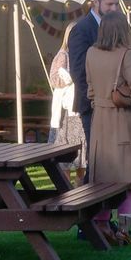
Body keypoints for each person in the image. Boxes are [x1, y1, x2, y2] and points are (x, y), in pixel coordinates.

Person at [85, 13, 131, 239]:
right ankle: (124, 227)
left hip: (100, 121)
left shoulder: (91, 53)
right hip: (124, 120)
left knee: (104, 177)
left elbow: (89, 89)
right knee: (128, 177)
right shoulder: (126, 54)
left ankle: (103, 224)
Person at [66, 0, 120, 167]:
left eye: (116, 4)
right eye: (109, 4)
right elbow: (78, 71)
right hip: (93, 104)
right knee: (98, 156)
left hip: (114, 101)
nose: (114, 9)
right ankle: (92, 192)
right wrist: (96, 99)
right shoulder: (81, 29)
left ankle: (108, 194)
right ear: (95, 2)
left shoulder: (116, 26)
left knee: (112, 156)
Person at [48, 22, 85, 173]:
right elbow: (54, 79)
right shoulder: (63, 55)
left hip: (81, 106)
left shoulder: (84, 53)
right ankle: (66, 190)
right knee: (67, 153)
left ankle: (81, 187)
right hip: (68, 112)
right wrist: (69, 78)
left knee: (83, 153)